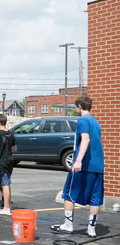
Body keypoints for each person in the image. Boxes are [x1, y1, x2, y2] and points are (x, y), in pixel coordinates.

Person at [52, 96, 104, 237]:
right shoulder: (96, 122)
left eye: (76, 107)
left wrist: (78, 160)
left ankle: (68, 225)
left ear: (80, 106)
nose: (76, 110)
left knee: (68, 194)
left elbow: (86, 139)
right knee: (95, 197)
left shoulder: (82, 120)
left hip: (84, 165)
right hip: (98, 166)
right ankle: (91, 229)